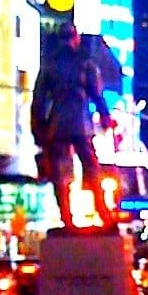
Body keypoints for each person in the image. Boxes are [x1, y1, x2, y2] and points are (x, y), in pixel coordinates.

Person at [30, 25, 118, 231]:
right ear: (75, 38)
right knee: (91, 168)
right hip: (80, 124)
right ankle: (102, 213)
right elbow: (97, 94)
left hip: (57, 124)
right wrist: (105, 117)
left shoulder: (50, 65)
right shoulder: (85, 62)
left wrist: (39, 129)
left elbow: (39, 101)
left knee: (60, 173)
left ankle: (66, 218)